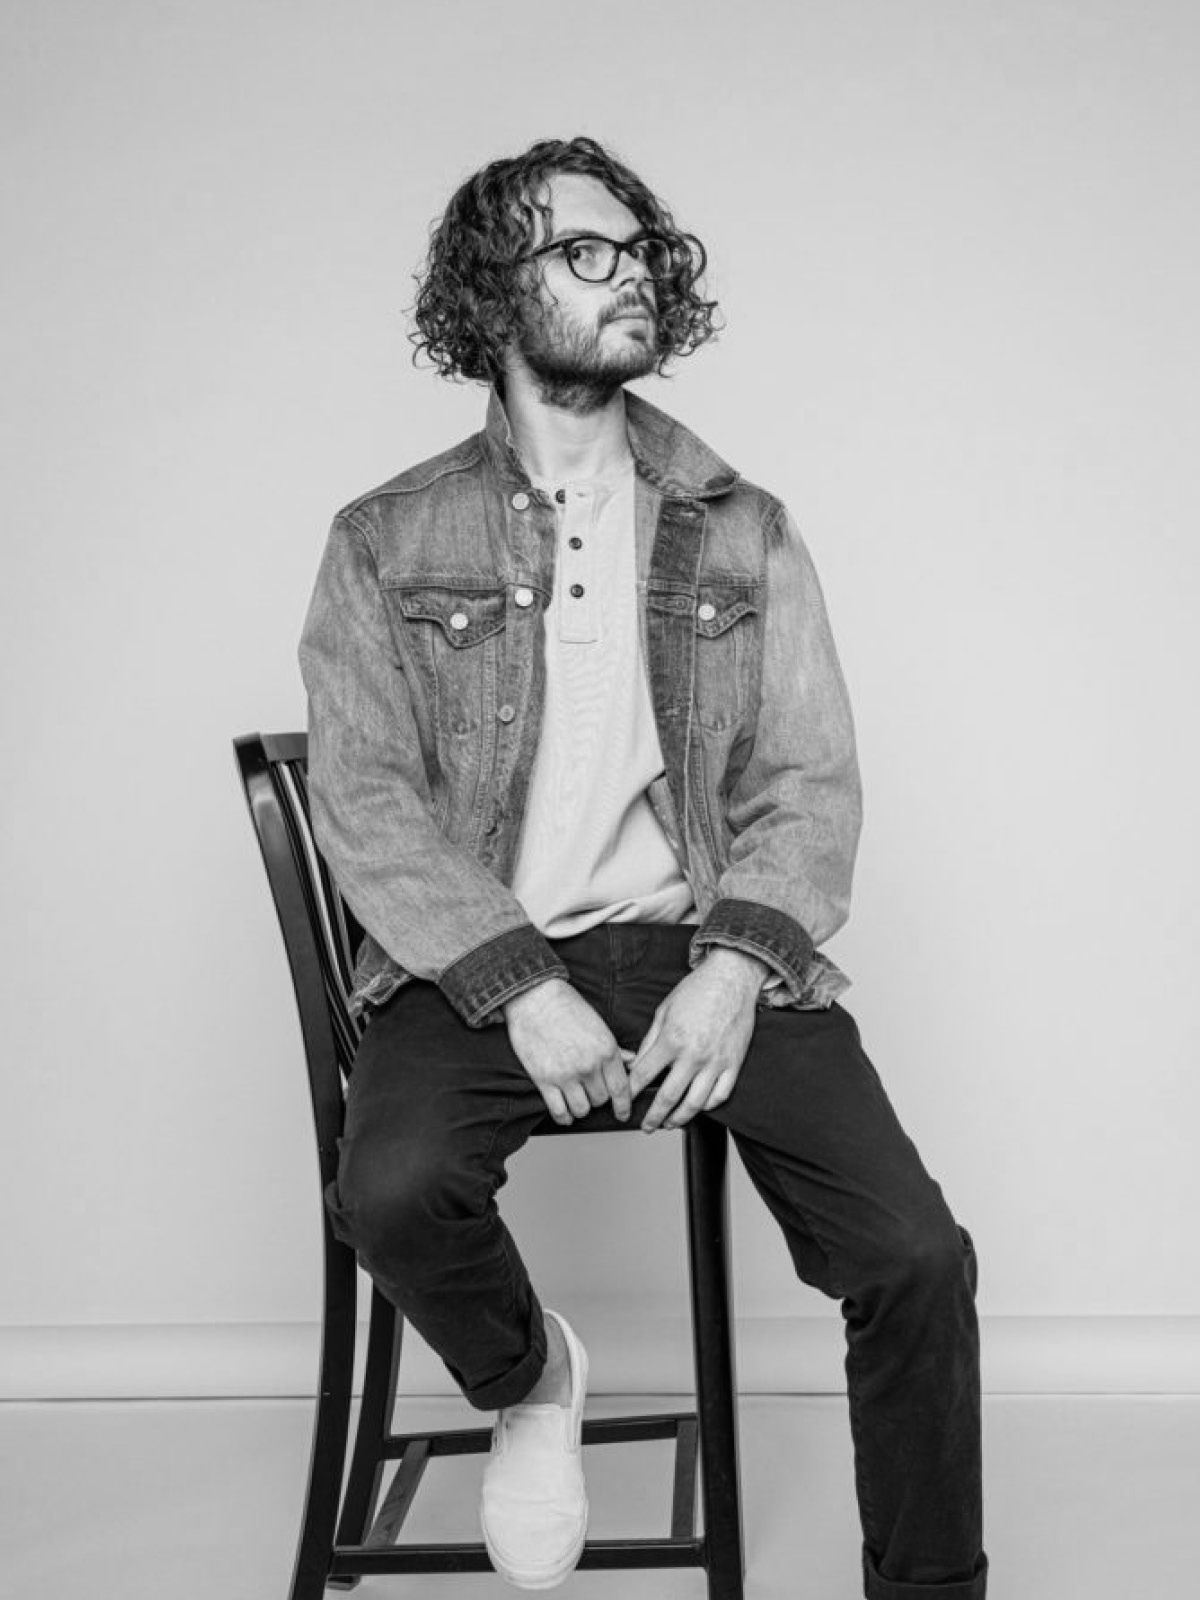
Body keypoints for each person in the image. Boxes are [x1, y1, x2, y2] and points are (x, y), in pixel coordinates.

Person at [298, 134, 987, 1599]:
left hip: (704, 941)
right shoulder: (383, 539)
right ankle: (532, 1380)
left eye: (645, 253)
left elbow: (808, 785)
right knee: (395, 1192)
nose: (636, 281)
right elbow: (366, 805)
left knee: (916, 1259)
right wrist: (516, 981)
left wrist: (734, 971)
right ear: (494, 293)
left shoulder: (744, 525)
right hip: (477, 949)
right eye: (587, 252)